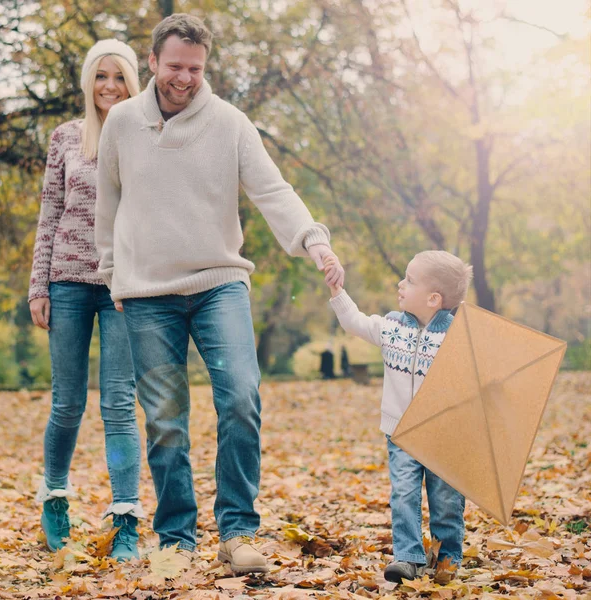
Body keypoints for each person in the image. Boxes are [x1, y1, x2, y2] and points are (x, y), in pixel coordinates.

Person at [94, 14, 344, 573]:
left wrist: (314, 241)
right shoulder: (123, 123)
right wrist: (112, 273)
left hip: (218, 283)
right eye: (174, 66)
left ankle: (236, 533)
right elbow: (106, 204)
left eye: (196, 69)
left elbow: (272, 188)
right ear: (152, 61)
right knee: (164, 418)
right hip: (146, 293)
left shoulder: (230, 123)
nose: (184, 78)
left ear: (206, 67)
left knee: (239, 398)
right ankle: (177, 540)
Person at [28, 39, 143, 561]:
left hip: (123, 286)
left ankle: (126, 519)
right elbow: (50, 214)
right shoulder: (65, 138)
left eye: (119, 77)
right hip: (68, 283)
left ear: (133, 82)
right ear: (87, 82)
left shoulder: (147, 135)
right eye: (101, 77)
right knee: (68, 401)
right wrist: (39, 286)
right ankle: (55, 497)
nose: (110, 87)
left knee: (119, 404)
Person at [324, 250, 473, 582]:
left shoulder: (458, 336)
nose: (400, 283)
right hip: (401, 433)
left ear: (434, 298)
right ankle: (408, 557)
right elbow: (355, 322)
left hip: (445, 436)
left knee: (446, 499)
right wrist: (338, 291)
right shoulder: (392, 326)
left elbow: (477, 381)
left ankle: (447, 557)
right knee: (403, 493)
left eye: (410, 280)